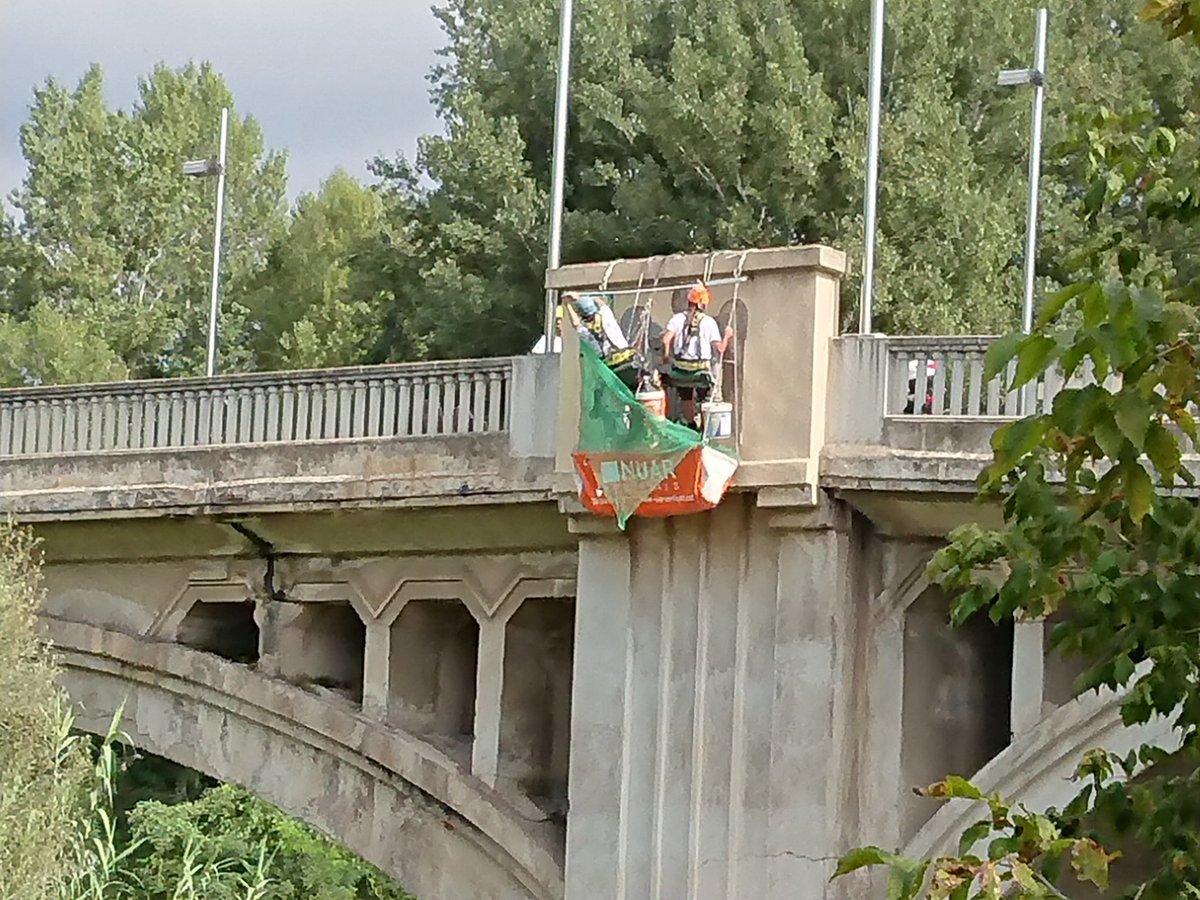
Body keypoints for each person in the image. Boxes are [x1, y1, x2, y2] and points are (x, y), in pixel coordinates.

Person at [663, 283, 734, 429]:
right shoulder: (709, 322)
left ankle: (691, 424)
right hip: (700, 371)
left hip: (681, 370)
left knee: (686, 397)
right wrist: (727, 336)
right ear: (703, 305)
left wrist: (666, 356)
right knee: (704, 397)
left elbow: (666, 339)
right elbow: (720, 348)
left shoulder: (677, 319)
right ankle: (703, 426)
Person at [564, 292, 642, 391]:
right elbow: (602, 304)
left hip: (612, 370)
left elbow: (576, 324)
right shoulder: (606, 320)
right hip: (628, 360)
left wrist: (568, 304)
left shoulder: (587, 333)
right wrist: (581, 297)